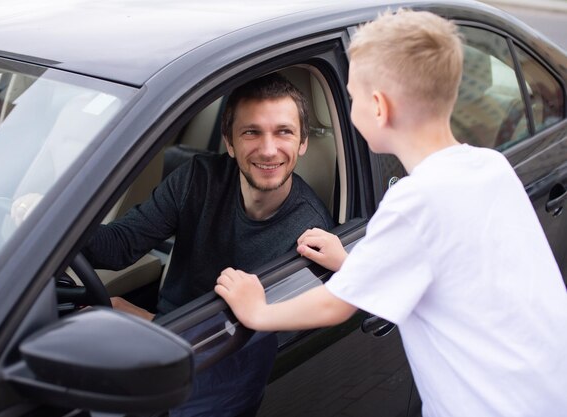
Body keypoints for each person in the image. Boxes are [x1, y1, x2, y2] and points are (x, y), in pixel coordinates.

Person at [215, 9, 567, 417]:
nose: (349, 110)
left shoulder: (413, 202)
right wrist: (354, 262)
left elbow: (336, 306)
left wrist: (258, 311)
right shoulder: (488, 166)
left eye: (351, 97)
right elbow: (444, 261)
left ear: (378, 108)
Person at [82, 72, 335, 416]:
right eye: (251, 132)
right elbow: (120, 246)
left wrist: (143, 320)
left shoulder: (308, 232)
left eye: (284, 132)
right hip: (162, 345)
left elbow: (252, 350)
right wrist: (48, 223)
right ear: (229, 142)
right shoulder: (197, 178)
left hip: (213, 379)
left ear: (302, 142)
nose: (268, 149)